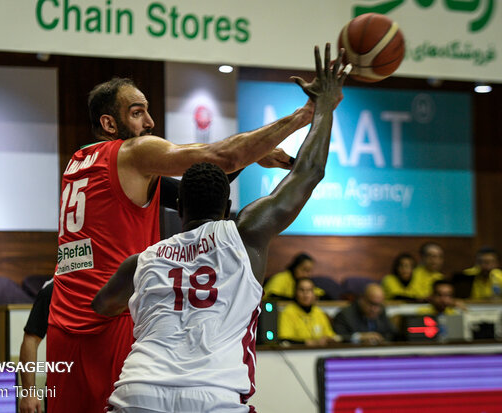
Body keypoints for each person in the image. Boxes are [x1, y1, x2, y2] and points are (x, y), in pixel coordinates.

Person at [47, 48, 326, 411]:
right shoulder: (132, 153)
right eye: (137, 112)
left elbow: (196, 192)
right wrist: (306, 115)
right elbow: (221, 159)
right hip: (110, 319)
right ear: (109, 125)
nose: (149, 123)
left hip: (65, 320)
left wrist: (250, 155)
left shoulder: (80, 162)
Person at [18, 280, 53, 413]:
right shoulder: (53, 289)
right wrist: (29, 393)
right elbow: (31, 339)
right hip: (62, 388)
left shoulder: (116, 284)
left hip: (108, 385)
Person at [278, 277, 339, 346]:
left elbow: (330, 336)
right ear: (295, 293)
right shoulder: (288, 312)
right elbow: (285, 341)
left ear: (314, 294)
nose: (306, 294)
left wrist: (329, 339)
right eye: (302, 290)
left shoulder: (319, 312)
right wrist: (309, 343)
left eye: (309, 290)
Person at [332, 283, 398, 344]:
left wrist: (380, 338)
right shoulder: (345, 315)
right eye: (371, 304)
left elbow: (392, 333)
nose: (375, 309)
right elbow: (338, 338)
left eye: (379, 305)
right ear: (362, 299)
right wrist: (359, 337)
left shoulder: (381, 311)